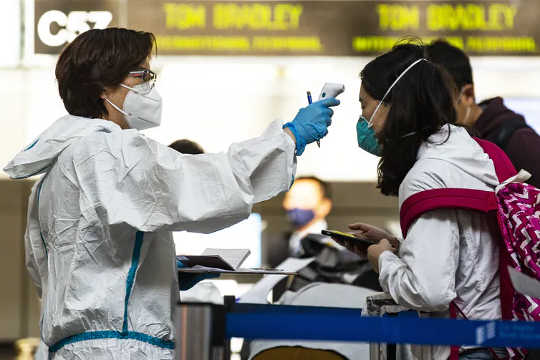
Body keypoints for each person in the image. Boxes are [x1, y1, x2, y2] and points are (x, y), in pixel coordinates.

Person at [3, 28, 339, 359]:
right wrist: (288, 139)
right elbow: (198, 185)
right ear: (104, 86)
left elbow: (69, 267)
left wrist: (160, 272)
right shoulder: (107, 149)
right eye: (142, 75)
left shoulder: (53, 169)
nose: (150, 86)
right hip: (120, 348)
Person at [333, 43, 508, 359]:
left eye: (364, 105)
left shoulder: (426, 174)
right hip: (497, 341)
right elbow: (465, 255)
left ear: (393, 104)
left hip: (464, 346)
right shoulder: (473, 154)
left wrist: (382, 261)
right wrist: (397, 246)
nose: (362, 118)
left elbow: (429, 291)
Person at [426, 40, 540, 188]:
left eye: (439, 105)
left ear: (468, 94)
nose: (432, 118)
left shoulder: (521, 143)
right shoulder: (451, 147)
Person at [283, 176, 333, 257]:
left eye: (304, 199)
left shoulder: (338, 246)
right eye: (291, 198)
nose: (295, 204)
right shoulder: (273, 245)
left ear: (325, 206)